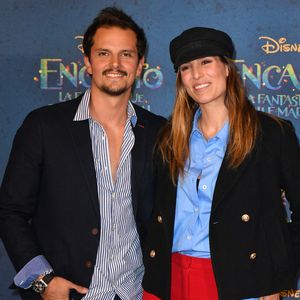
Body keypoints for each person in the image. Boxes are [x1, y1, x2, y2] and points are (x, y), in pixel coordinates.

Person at [0, 6, 165, 300]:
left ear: (140, 65)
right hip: (72, 294)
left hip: (136, 293)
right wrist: (44, 281)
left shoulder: (159, 132)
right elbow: (10, 211)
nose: (115, 63)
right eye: (104, 53)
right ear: (88, 62)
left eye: (126, 54)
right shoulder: (43, 126)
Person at [142, 27, 300, 300]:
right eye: (186, 67)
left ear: (227, 68)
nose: (197, 75)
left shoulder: (272, 133)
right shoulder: (168, 138)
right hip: (171, 279)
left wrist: (274, 274)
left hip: (243, 283)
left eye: (206, 62)